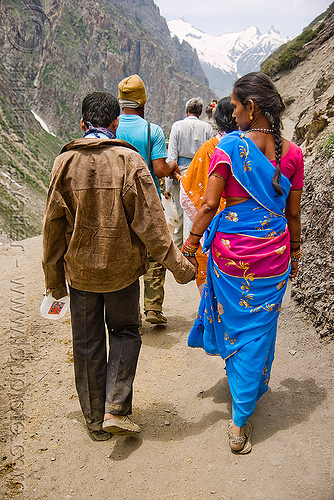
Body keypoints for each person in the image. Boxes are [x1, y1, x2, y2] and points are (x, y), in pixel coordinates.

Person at [42, 92, 195, 441]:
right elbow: (153, 226)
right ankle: (116, 407)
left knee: (85, 342)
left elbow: (52, 226)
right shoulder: (129, 160)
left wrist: (53, 279)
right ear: (114, 125)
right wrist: (181, 268)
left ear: (83, 124)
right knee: (125, 332)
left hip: (80, 274)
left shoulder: (63, 163)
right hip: (122, 272)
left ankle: (96, 422)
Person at [182, 72, 304, 454]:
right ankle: (246, 385)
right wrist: (296, 253)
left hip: (232, 254)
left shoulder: (230, 147)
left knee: (237, 320)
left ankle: (239, 421)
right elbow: (294, 214)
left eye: (234, 107)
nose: (231, 114)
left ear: (251, 107)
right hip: (274, 254)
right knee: (262, 326)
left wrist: (190, 243)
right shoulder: (293, 154)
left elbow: (207, 205)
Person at [116, 74, 180, 325]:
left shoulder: (112, 127)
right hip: (147, 201)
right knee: (154, 251)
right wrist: (173, 164)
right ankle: (152, 308)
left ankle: (127, 314)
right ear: (142, 102)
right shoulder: (151, 130)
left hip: (117, 202)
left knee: (125, 253)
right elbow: (160, 169)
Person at [180, 97, 237, 294]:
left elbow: (202, 200)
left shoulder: (212, 148)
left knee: (216, 297)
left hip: (217, 231)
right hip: (253, 231)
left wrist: (190, 245)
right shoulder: (259, 147)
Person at [166, 97, 214, 249]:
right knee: (196, 215)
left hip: (180, 175)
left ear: (187, 111)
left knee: (180, 217)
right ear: (200, 112)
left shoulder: (177, 126)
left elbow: (172, 156)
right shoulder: (207, 128)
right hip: (200, 176)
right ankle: (195, 251)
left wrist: (167, 186)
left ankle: (179, 257)